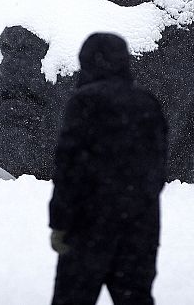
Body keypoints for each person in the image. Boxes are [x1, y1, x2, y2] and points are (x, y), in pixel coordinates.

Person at [49, 32, 168, 305]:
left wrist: (60, 222)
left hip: (88, 228)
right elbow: (157, 170)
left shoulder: (84, 103)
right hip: (140, 229)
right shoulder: (147, 103)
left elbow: (69, 169)